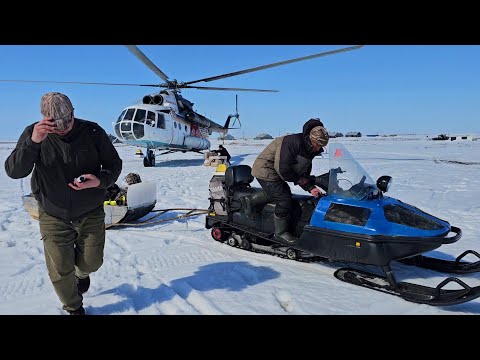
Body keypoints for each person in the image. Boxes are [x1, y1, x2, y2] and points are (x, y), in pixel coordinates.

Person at [4, 92, 122, 315]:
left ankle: (82, 274)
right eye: (55, 126)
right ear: (44, 118)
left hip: (90, 211)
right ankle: (73, 307)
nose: (61, 129)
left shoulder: (92, 131)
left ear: (73, 113)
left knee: (91, 263)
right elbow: (14, 171)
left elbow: (114, 164)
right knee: (60, 269)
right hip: (52, 213)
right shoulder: (33, 133)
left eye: (66, 123)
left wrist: (100, 181)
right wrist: (33, 143)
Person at [251, 118, 329, 244]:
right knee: (284, 199)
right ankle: (280, 233)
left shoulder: (309, 149)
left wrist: (311, 188)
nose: (319, 148)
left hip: (277, 172)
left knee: (282, 193)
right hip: (265, 169)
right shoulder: (292, 142)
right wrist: (300, 180)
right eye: (318, 145)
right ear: (312, 140)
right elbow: (283, 169)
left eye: (322, 146)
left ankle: (250, 199)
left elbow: (302, 172)